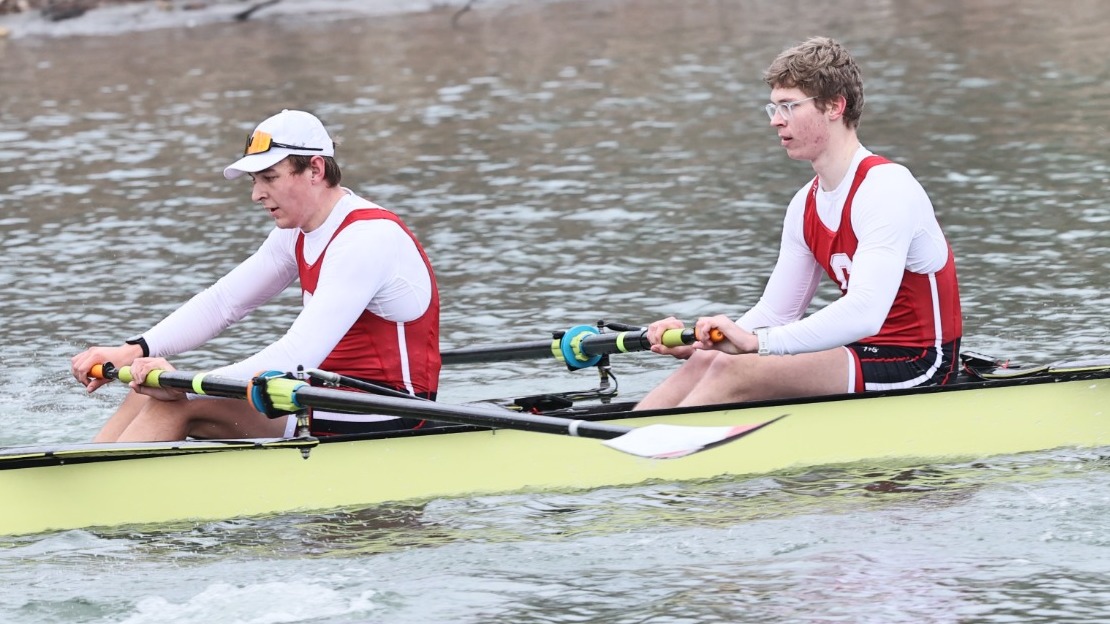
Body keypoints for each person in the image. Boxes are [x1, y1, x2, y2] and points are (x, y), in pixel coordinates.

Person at [71, 109, 441, 441]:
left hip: (390, 408)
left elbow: (298, 352)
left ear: (315, 169)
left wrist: (190, 386)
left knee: (177, 403)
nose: (257, 194)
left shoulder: (366, 237)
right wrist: (132, 350)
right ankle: (82, 484)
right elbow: (223, 302)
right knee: (145, 391)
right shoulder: (294, 233)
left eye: (269, 177)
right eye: (253, 180)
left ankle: (97, 508)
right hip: (318, 393)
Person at [636, 37, 961, 410]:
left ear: (835, 106)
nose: (776, 120)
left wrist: (757, 344)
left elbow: (865, 313)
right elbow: (777, 312)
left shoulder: (886, 188)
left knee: (736, 370)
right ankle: (622, 445)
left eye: (789, 106)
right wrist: (702, 340)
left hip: (920, 365)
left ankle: (655, 453)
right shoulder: (804, 203)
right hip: (860, 353)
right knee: (715, 360)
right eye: (773, 108)